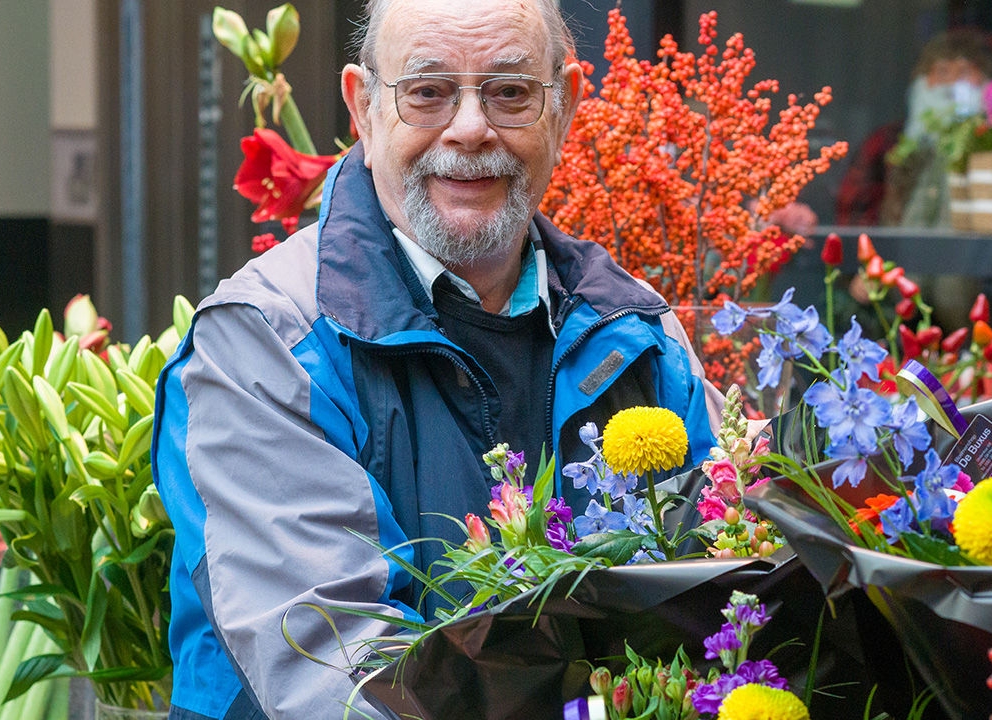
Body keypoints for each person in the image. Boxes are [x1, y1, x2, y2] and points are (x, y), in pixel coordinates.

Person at [150, 1, 721, 718]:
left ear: (567, 105)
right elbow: (341, 679)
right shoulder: (268, 346)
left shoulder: (635, 331)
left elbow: (724, 603)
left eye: (511, 92)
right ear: (363, 106)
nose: (471, 128)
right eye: (427, 92)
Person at [835, 28, 992, 227]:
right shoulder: (884, 144)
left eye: (964, 72)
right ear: (922, 81)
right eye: (942, 72)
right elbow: (855, 215)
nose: (951, 83)